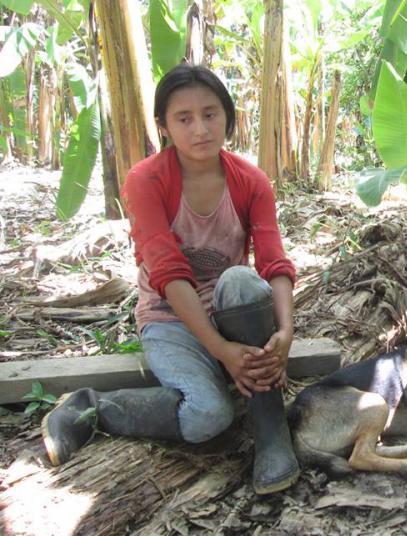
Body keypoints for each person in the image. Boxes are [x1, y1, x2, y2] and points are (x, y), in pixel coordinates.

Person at [42, 63, 299, 494]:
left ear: (227, 117)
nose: (200, 128)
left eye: (210, 113)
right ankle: (93, 407)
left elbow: (274, 263)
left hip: (228, 310)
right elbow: (168, 273)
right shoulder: (147, 180)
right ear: (164, 126)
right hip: (169, 319)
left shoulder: (251, 182)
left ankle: (272, 435)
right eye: (184, 118)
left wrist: (287, 332)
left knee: (240, 279)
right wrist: (220, 350)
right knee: (209, 416)